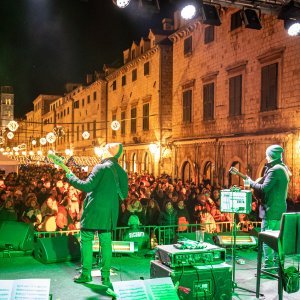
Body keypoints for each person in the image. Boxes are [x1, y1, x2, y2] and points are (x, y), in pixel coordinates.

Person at [66, 143, 128, 286]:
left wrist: (71, 177)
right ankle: (105, 277)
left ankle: (86, 274)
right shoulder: (122, 171)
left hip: (94, 211)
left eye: (104, 150)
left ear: (109, 152)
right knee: (106, 243)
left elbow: (87, 186)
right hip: (110, 213)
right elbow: (123, 195)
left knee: (86, 240)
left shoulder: (100, 167)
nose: (101, 152)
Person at [247, 144, 290, 269]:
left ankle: (268, 266)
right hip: (280, 209)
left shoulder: (274, 170)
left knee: (267, 238)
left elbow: (264, 188)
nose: (266, 158)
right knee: (278, 238)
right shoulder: (283, 168)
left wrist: (250, 183)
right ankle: (277, 266)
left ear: (270, 155)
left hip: (270, 210)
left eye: (267, 155)